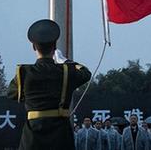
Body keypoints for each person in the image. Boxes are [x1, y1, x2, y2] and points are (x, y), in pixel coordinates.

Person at [7, 19, 92, 150]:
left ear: (33, 47)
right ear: (55, 47)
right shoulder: (65, 72)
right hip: (60, 136)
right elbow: (86, 73)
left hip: (33, 135)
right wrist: (66, 61)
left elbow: (11, 93)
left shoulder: (24, 72)